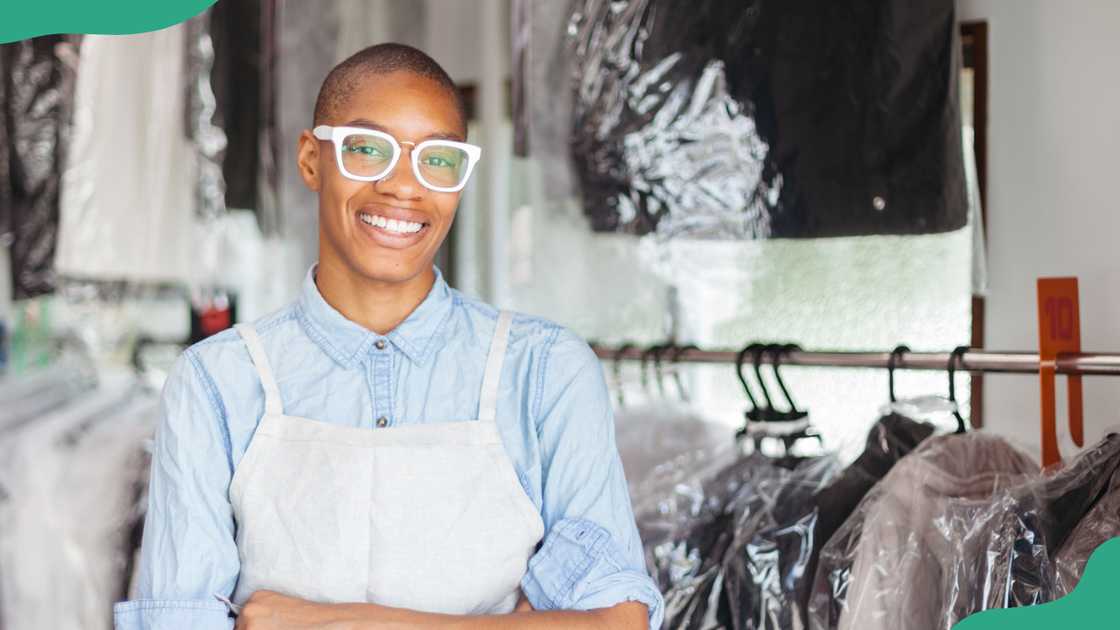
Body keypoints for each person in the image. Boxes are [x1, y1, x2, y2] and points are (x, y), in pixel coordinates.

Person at [112, 43, 663, 630]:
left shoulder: (547, 369)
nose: (403, 186)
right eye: (367, 150)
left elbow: (617, 620)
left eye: (439, 159)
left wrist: (353, 621)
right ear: (310, 160)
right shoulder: (216, 383)